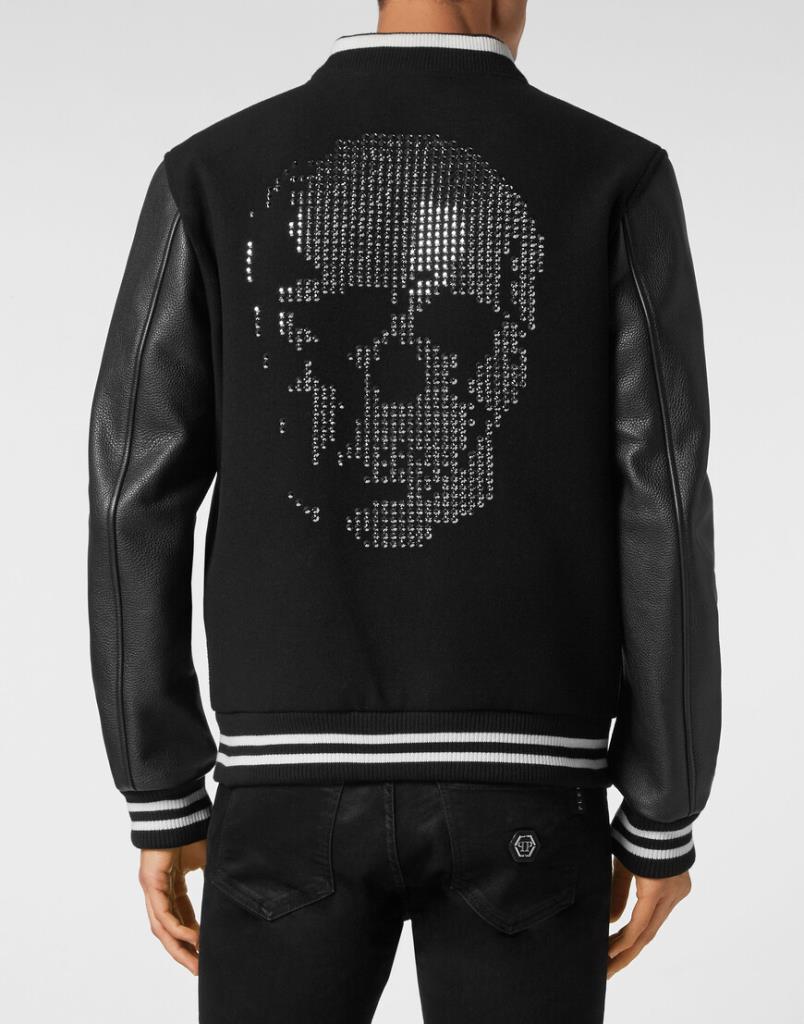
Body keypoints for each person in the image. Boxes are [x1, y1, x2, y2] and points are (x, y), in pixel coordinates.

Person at [87, 1, 721, 1021]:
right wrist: (663, 806)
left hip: (282, 790)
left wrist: (159, 785)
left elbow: (131, 488)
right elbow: (666, 497)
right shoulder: (613, 175)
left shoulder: (210, 173)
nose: (394, 373)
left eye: (458, 326)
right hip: (527, 787)